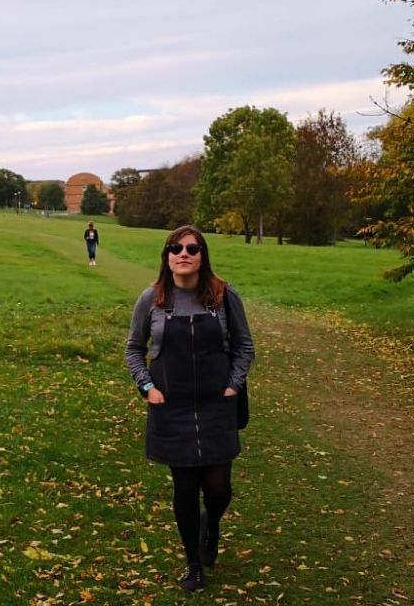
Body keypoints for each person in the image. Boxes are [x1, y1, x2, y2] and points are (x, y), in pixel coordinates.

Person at [124, 225, 255, 592]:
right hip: (172, 406)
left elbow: (245, 346)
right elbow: (133, 348)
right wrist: (147, 387)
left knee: (218, 488)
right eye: (176, 248)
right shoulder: (151, 299)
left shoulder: (224, 297)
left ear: (202, 256)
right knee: (184, 489)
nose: (184, 253)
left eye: (192, 248)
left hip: (217, 405)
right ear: (167, 256)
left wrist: (233, 383)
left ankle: (210, 524)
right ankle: (193, 564)